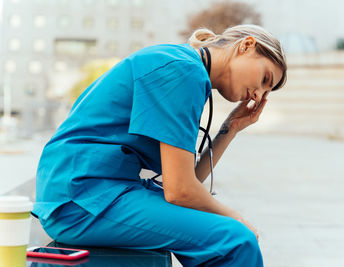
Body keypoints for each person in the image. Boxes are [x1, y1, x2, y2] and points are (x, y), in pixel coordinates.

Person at [32, 24, 287, 266]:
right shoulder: (183, 71)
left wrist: (230, 129)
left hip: (90, 192)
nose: (259, 95)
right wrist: (237, 218)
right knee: (236, 240)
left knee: (224, 232)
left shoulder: (183, 64)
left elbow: (185, 184)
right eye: (265, 79)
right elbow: (179, 191)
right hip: (82, 198)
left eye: (267, 93)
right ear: (247, 45)